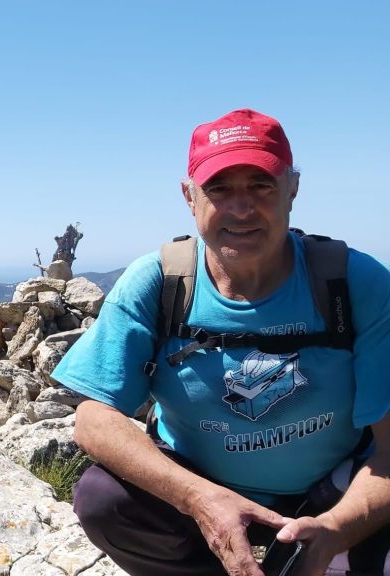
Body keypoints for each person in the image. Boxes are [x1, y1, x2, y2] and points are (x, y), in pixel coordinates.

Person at [51, 109, 390, 575]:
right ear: (190, 197)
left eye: (261, 185)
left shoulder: (353, 282)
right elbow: (93, 418)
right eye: (220, 189)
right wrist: (198, 498)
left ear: (292, 187)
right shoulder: (160, 282)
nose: (242, 207)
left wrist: (336, 531)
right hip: (201, 488)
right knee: (102, 498)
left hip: (330, 491)